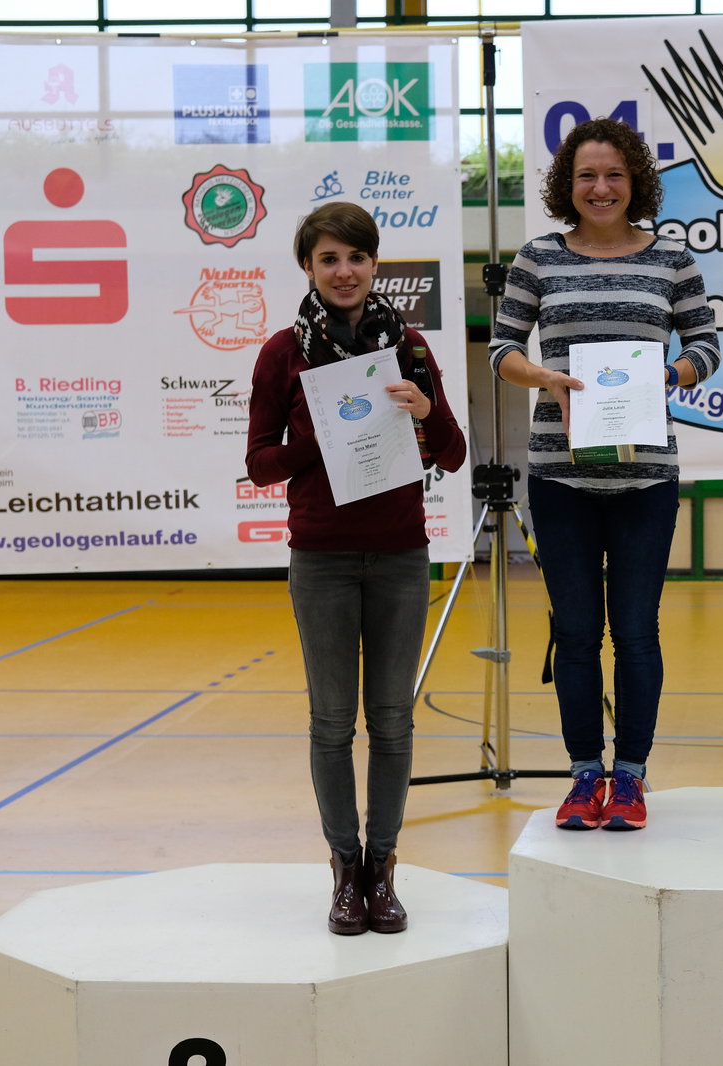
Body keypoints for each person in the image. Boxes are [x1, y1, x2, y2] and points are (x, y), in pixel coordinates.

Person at [489, 117, 720, 831]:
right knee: (577, 633)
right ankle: (585, 773)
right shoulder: (537, 258)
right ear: (568, 184)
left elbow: (707, 346)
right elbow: (502, 349)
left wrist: (668, 374)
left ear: (635, 181)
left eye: (614, 174)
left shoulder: (672, 260)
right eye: (586, 175)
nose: (600, 187)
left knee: (637, 631)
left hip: (647, 479)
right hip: (559, 477)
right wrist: (545, 378)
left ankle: (632, 778)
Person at [245, 202, 466, 935]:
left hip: (401, 555)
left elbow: (453, 453)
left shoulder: (409, 347)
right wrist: (319, 438)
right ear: (307, 267)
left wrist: (426, 409)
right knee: (333, 722)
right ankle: (345, 870)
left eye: (357, 258)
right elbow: (259, 463)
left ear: (375, 264)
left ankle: (383, 867)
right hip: (322, 559)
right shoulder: (283, 353)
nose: (345, 272)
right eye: (329, 259)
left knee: (394, 721)